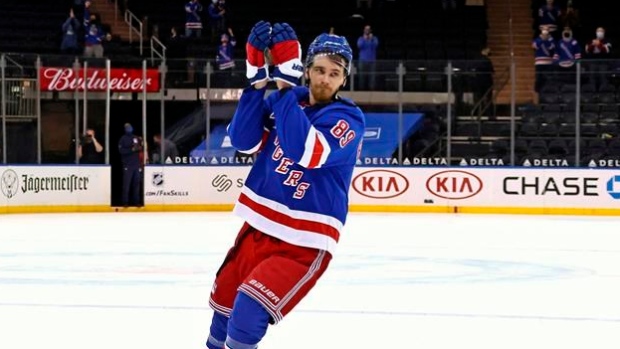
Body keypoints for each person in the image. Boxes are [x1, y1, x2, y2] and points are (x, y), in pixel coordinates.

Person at [205, 21, 365, 349]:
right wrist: (255, 83)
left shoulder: (348, 119)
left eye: (334, 74)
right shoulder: (288, 98)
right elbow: (243, 140)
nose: (324, 79)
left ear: (344, 80)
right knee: (223, 311)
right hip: (260, 224)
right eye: (319, 69)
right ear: (306, 69)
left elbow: (305, 152)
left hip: (305, 238)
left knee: (248, 314)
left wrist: (282, 91)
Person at [118, 123, 143, 207]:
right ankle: (125, 202)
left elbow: (140, 147)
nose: (129, 128)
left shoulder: (135, 138)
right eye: (127, 127)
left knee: (136, 184)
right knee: (126, 184)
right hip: (127, 165)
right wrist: (131, 149)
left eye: (130, 126)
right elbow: (121, 151)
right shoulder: (123, 139)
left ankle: (136, 202)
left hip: (136, 164)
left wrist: (140, 145)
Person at [532, 25, 556, 93]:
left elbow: (552, 47)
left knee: (547, 77)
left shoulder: (551, 39)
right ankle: (537, 91)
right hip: (539, 61)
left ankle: (548, 91)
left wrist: (547, 40)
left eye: (547, 30)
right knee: (539, 77)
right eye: (544, 30)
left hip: (548, 62)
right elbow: (534, 46)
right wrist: (542, 40)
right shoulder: (537, 39)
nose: (545, 31)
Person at [356, 24, 379, 90]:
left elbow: (376, 45)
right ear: (364, 30)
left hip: (372, 61)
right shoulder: (361, 38)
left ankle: (372, 90)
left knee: (372, 76)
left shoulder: (374, 38)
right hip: (362, 60)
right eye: (366, 29)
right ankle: (361, 90)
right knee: (361, 76)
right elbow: (359, 46)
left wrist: (371, 39)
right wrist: (364, 39)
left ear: (370, 30)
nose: (367, 31)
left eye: (368, 29)